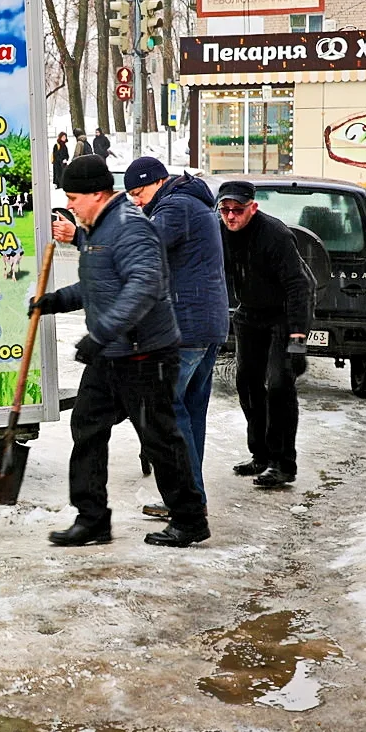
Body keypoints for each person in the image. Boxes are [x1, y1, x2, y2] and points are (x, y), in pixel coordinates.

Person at [30, 155, 209, 548]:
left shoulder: (130, 228)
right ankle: (92, 518)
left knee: (160, 437)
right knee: (87, 426)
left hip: (145, 354)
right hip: (113, 353)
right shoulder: (98, 228)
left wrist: (101, 333)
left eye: (74, 197)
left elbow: (144, 285)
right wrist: (54, 301)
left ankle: (190, 519)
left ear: (98, 193)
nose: (70, 206)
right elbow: (100, 287)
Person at [122, 158, 229, 517]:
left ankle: (187, 505)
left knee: (167, 415)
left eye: (139, 192)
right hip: (205, 326)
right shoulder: (190, 203)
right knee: (189, 415)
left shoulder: (176, 206)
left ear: (159, 181)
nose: (136, 200)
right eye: (131, 196)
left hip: (187, 329)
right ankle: (189, 498)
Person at [217, 180, 313, 489]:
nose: (231, 216)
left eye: (238, 210)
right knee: (246, 381)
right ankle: (260, 454)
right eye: (225, 210)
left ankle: (283, 463)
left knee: (279, 385)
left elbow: (299, 286)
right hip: (250, 312)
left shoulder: (275, 235)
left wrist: (298, 339)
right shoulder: (219, 231)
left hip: (283, 313)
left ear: (252, 208)